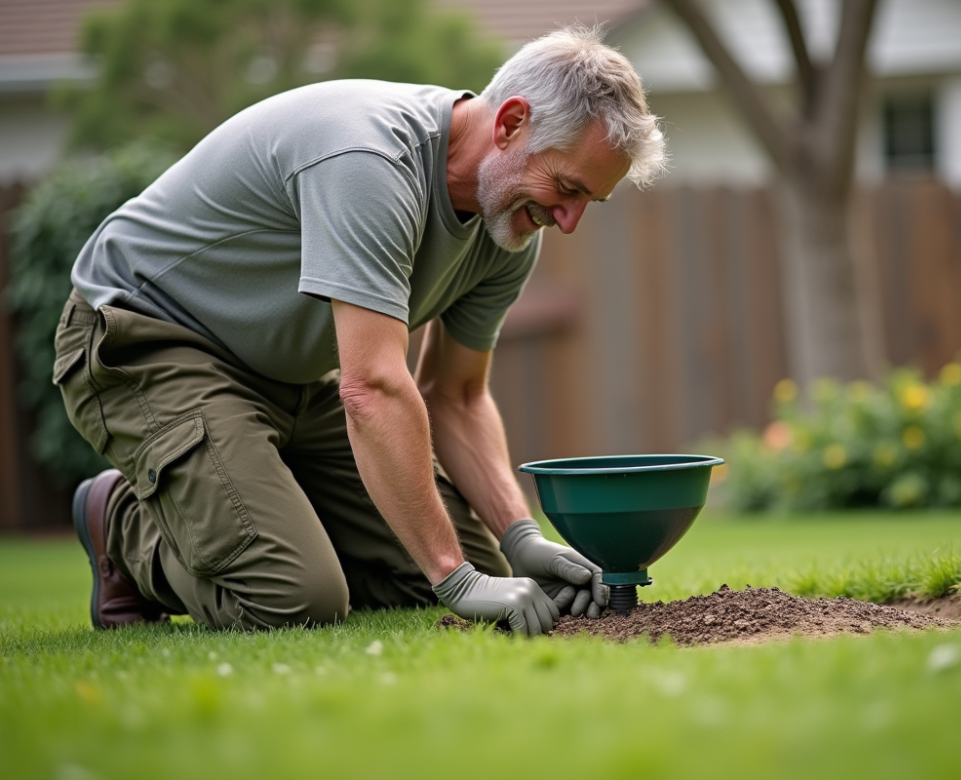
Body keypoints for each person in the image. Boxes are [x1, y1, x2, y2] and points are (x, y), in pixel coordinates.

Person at [56, 26, 668, 634]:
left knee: (482, 568)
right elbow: (371, 387)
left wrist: (520, 536)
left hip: (285, 377)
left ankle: (263, 507)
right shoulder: (370, 160)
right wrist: (453, 577)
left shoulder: (506, 229)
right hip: (144, 340)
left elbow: (455, 395)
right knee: (295, 598)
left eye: (591, 201)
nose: (568, 221)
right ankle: (120, 525)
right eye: (567, 188)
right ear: (510, 123)